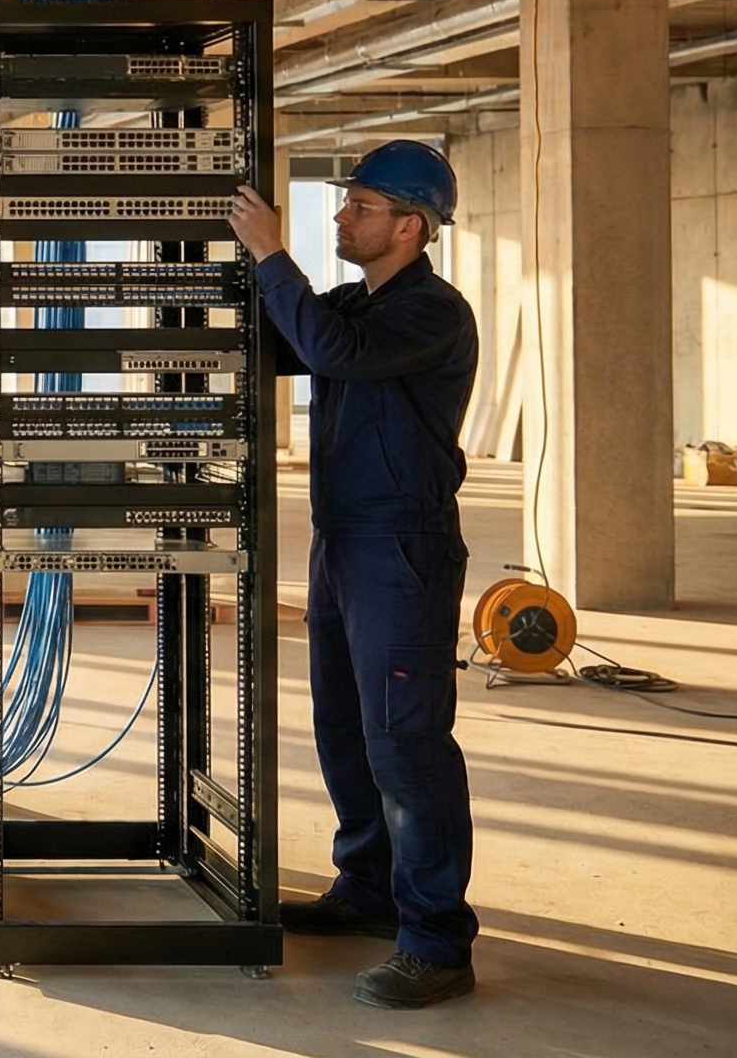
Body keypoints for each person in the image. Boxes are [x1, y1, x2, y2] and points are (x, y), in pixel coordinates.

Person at [227, 139, 480, 1011]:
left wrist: (272, 253)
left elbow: (330, 351)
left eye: (361, 206)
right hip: (342, 539)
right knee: (344, 727)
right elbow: (290, 338)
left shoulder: (430, 312)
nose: (341, 215)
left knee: (406, 742)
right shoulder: (358, 302)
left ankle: (436, 940)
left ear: (410, 226)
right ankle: (368, 888)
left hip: (401, 546)